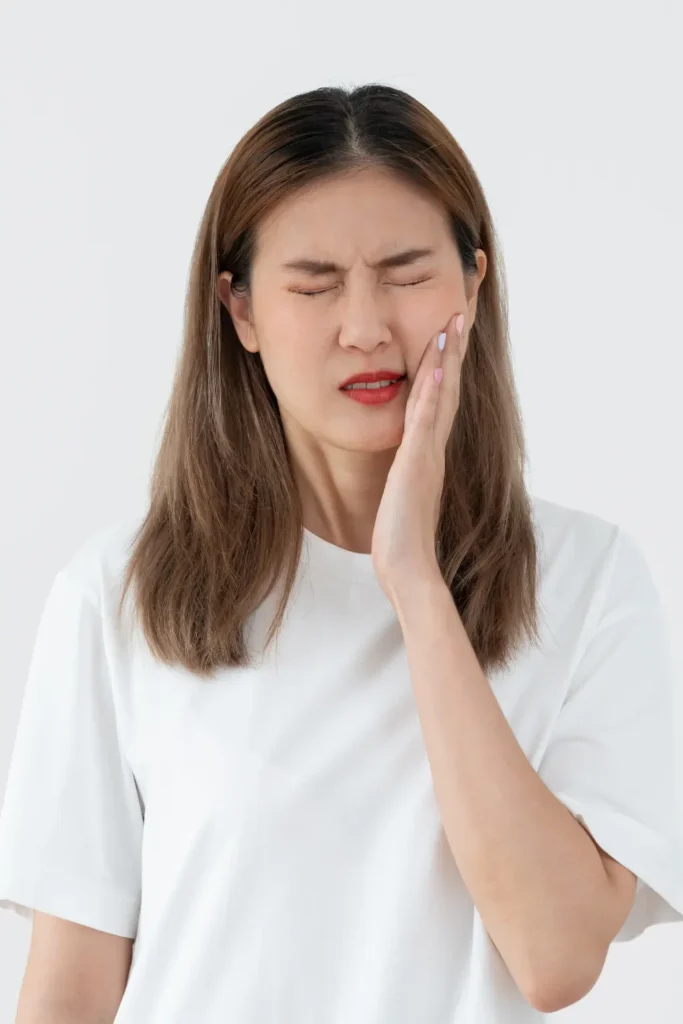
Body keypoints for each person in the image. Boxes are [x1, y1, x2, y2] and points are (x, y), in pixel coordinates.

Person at [0, 83, 681, 1024]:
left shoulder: (587, 578)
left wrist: (410, 578)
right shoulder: (121, 597)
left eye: (406, 275)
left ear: (473, 283)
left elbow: (555, 955)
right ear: (238, 312)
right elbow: (68, 994)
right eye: (312, 284)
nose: (365, 325)